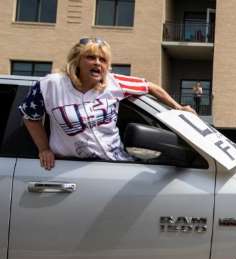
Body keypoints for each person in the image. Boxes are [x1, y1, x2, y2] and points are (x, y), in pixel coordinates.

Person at [19, 37, 194, 170]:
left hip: (114, 163)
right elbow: (30, 117)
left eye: (103, 60)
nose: (97, 63)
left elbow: (150, 87)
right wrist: (44, 149)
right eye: (90, 57)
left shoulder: (114, 83)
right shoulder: (50, 85)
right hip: (69, 168)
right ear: (76, 61)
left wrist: (178, 107)